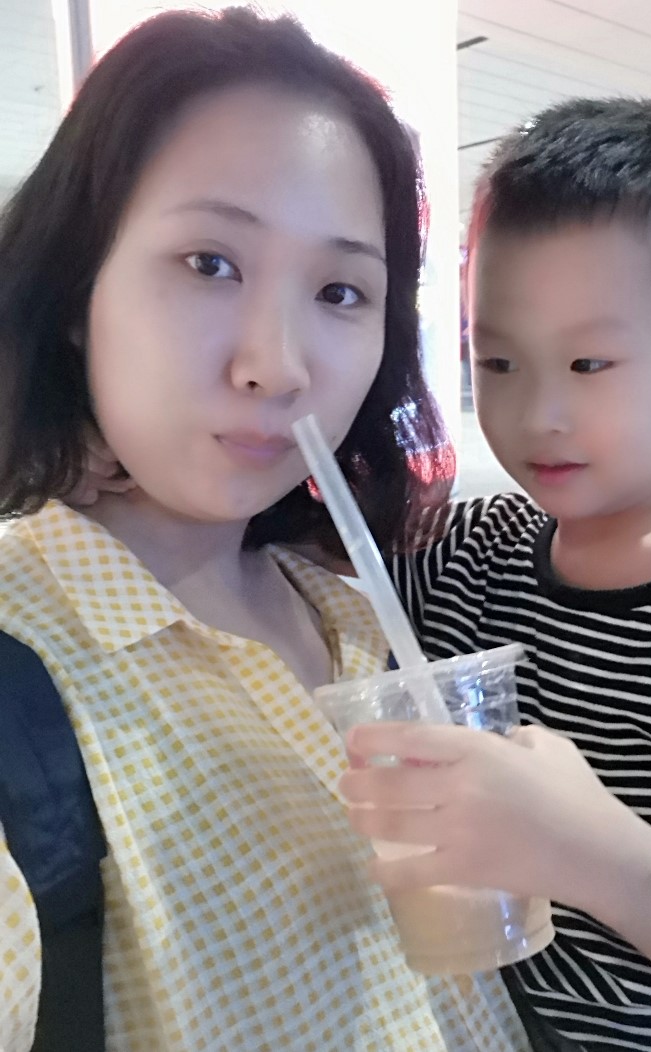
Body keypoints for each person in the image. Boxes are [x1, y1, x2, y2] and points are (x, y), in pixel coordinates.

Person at [0, 8, 530, 1051]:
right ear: (75, 289)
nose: (277, 365)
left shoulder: (349, 611)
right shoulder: (24, 672)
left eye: (340, 290)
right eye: (209, 262)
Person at [340, 98, 651, 1052]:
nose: (539, 411)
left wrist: (589, 853)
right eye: (498, 361)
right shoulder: (465, 552)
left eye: (589, 362)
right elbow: (288, 576)